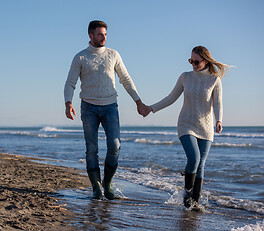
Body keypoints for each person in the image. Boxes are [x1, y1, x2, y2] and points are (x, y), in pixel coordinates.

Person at [64, 20, 147, 200]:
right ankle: (96, 187)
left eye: (105, 34)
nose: (104, 38)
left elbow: (126, 79)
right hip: (89, 108)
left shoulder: (113, 54)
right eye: (100, 34)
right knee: (91, 149)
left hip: (110, 107)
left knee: (115, 146)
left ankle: (107, 183)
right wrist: (68, 103)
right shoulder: (80, 57)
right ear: (91, 35)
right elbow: (70, 82)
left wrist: (138, 101)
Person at [143, 46, 230, 209]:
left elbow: (218, 103)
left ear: (206, 61)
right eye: (191, 61)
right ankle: (187, 196)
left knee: (201, 164)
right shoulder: (185, 77)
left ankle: (194, 203)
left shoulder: (214, 79)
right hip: (186, 124)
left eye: (196, 61)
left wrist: (219, 120)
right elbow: (171, 97)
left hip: (206, 127)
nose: (193, 64)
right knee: (194, 159)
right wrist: (151, 108)